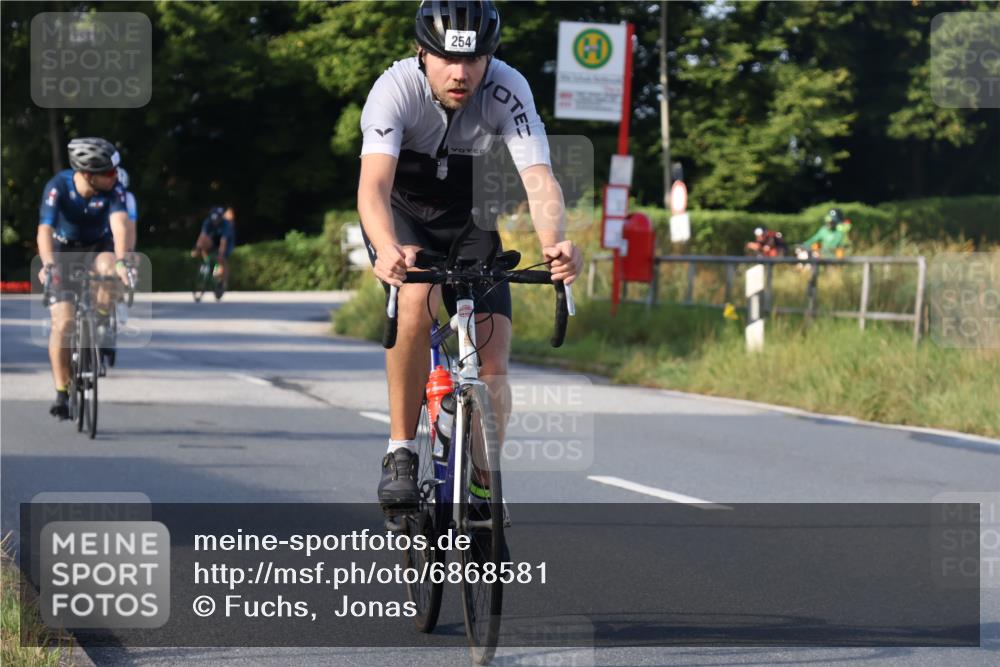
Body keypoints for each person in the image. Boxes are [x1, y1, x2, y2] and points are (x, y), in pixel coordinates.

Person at [359, 0, 581, 514]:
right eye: (447, 60)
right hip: (402, 215)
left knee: (495, 352)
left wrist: (556, 243)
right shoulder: (394, 90)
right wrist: (386, 245)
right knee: (415, 300)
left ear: (490, 57)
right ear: (422, 53)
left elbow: (539, 179)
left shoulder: (509, 89)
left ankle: (483, 484)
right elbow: (373, 185)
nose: (461, 74)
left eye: (475, 60)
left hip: (471, 217)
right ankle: (401, 452)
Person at [37, 137, 130, 419]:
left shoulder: (114, 190)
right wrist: (49, 265)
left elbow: (120, 225)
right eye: (109, 173)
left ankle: (101, 318)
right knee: (63, 323)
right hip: (62, 251)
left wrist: (124, 261)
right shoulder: (58, 187)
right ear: (89, 174)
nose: (115, 177)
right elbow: (44, 230)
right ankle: (62, 391)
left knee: (109, 266)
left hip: (96, 247)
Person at [191, 206, 235, 286]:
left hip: (227, 242)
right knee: (203, 244)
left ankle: (223, 282)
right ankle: (206, 263)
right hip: (214, 240)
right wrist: (197, 248)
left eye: (217, 219)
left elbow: (223, 242)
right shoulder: (208, 221)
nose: (215, 222)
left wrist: (221, 254)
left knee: (222, 259)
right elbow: (202, 236)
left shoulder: (226, 225)